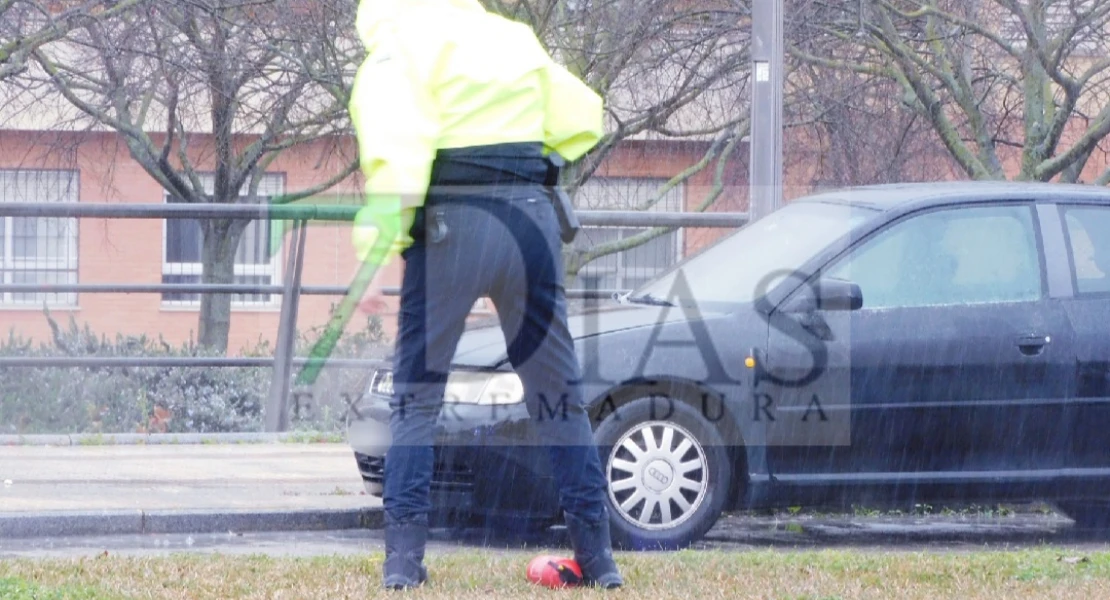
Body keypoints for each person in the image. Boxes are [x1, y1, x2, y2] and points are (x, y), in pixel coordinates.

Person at [346, 0, 624, 591]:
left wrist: (377, 252)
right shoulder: (512, 36)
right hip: (530, 222)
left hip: (452, 221)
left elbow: (398, 157)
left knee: (416, 401)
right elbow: (582, 116)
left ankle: (403, 564)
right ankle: (600, 562)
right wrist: (531, 162)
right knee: (560, 399)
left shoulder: (401, 45)